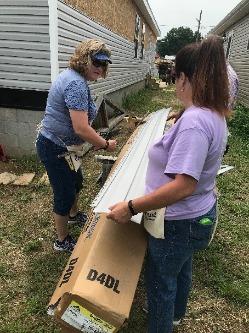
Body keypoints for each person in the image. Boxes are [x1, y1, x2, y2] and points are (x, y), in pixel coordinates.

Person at [106, 35, 230, 332]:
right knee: (180, 267)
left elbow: (183, 185)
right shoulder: (212, 113)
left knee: (161, 283)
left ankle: (164, 321)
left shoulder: (195, 123)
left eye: (175, 76)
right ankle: (175, 314)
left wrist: (132, 207)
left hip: (178, 221)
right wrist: (184, 112)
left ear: (184, 78)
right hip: (196, 215)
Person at [36, 39, 118, 252]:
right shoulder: (75, 84)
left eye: (104, 64)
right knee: (64, 193)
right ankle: (61, 241)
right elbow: (81, 128)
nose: (100, 69)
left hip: (65, 148)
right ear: (84, 59)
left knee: (77, 182)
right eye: (97, 63)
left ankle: (73, 216)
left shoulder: (74, 78)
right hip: (56, 148)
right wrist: (105, 144)